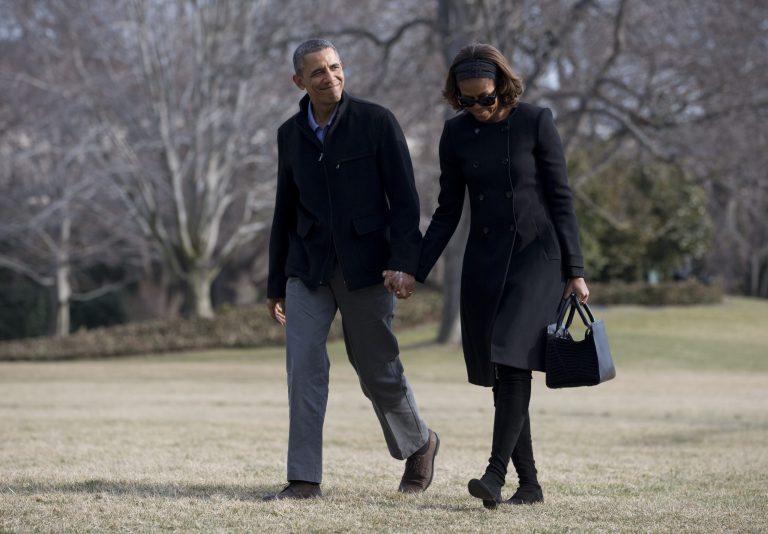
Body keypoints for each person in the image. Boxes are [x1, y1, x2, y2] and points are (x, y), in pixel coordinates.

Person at [401, 42, 589, 508]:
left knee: (511, 356)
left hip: (537, 257)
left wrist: (576, 270)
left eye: (485, 97)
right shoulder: (455, 134)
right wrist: (415, 269)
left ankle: (494, 473)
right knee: (505, 371)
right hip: (485, 262)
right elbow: (447, 212)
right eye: (468, 100)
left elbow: (561, 199)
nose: (478, 108)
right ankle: (530, 486)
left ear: (502, 87)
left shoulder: (536, 121)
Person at [264, 38, 439, 501]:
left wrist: (404, 262)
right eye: (318, 72)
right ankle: (304, 478)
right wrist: (275, 282)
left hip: (367, 267)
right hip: (307, 267)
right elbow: (284, 209)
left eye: (336, 67)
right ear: (298, 80)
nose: (331, 77)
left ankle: (420, 444)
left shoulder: (376, 122)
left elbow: (404, 200)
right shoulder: (289, 134)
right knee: (303, 366)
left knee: (375, 365)